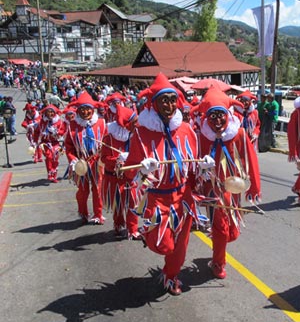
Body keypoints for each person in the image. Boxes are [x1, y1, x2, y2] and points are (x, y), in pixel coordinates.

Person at [122, 73, 211, 295]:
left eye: (172, 99)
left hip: (183, 197)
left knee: (180, 247)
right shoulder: (141, 133)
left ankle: (171, 276)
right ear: (154, 104)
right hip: (157, 197)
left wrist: (203, 168)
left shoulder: (187, 130)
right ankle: (148, 234)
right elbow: (129, 172)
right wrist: (142, 168)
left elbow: (192, 167)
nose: (169, 104)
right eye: (164, 100)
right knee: (163, 245)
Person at [197, 87, 261, 280]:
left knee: (231, 232)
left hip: (234, 189)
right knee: (221, 228)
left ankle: (219, 246)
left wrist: (254, 189)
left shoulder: (239, 134)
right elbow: (192, 162)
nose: (217, 121)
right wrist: (201, 168)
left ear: (228, 115)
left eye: (221, 116)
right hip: (213, 191)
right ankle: (218, 263)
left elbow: (250, 160)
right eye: (212, 117)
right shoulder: (201, 136)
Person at [65, 92, 107, 225]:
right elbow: (69, 147)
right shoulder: (72, 125)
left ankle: (98, 214)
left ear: (93, 109)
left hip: (97, 161)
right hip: (80, 162)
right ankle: (83, 213)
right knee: (83, 190)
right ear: (78, 111)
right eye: (82, 109)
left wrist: (104, 156)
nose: (85, 112)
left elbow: (107, 142)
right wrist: (73, 159)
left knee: (98, 189)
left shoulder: (101, 123)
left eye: (88, 109)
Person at [99, 104, 140, 239]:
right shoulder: (109, 138)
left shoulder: (135, 136)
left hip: (130, 177)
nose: (137, 124)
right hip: (114, 178)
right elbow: (104, 158)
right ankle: (118, 223)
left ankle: (132, 229)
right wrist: (117, 159)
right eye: (134, 122)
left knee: (132, 203)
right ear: (126, 124)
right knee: (118, 204)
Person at [32, 105, 66, 182]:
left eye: (51, 112)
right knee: (49, 157)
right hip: (45, 143)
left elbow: (63, 131)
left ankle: (54, 175)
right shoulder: (42, 122)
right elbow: (37, 132)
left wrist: (56, 132)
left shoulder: (59, 122)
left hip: (56, 143)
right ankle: (50, 173)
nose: (50, 113)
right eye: (48, 112)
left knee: (55, 158)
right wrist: (35, 141)